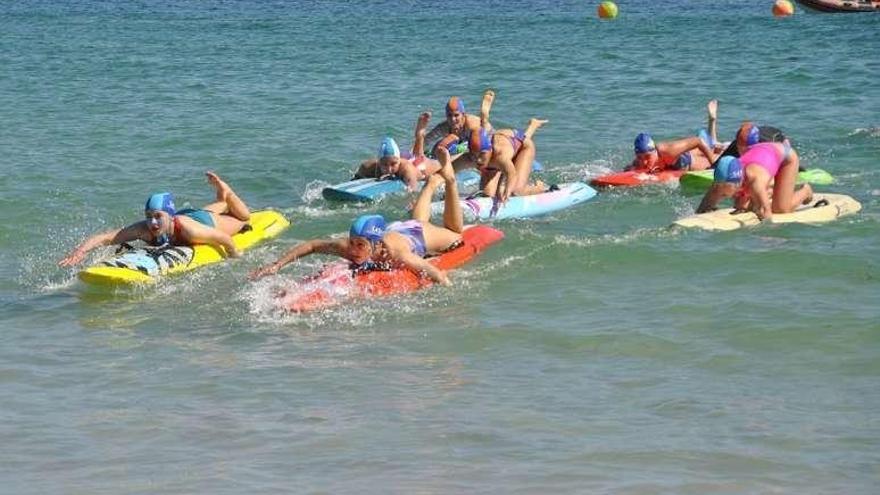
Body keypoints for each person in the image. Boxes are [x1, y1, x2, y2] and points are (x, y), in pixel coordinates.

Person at [250, 147, 465, 285]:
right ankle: (432, 184)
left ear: (374, 244)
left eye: (360, 245)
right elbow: (313, 245)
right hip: (397, 228)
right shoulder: (352, 247)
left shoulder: (397, 254)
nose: (353, 250)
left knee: (455, 233)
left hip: (416, 235)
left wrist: (450, 293)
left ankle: (448, 180)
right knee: (419, 219)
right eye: (352, 243)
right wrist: (277, 265)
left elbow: (434, 273)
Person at [58, 172, 251, 267]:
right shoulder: (144, 229)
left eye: (157, 216)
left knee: (243, 217)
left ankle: (226, 193)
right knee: (213, 209)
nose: (152, 222)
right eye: (149, 216)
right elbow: (105, 238)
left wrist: (235, 255)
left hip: (202, 221)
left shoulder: (191, 231)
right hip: (185, 215)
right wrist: (80, 251)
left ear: (168, 215)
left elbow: (226, 240)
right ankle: (221, 200)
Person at [696, 142, 813, 219]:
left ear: (739, 182)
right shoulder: (720, 182)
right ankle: (769, 192)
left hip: (785, 157)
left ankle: (805, 191)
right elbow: (703, 209)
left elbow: (766, 213)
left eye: (726, 193)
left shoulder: (755, 181)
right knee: (742, 206)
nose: (723, 195)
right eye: (722, 192)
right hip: (760, 154)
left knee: (780, 209)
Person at [468, 107, 549, 202]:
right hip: (503, 146)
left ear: (489, 150)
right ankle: (533, 125)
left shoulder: (500, 156)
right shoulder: (470, 156)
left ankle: (539, 188)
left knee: (516, 192)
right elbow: (450, 168)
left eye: (481, 155)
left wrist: (507, 191)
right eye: (474, 155)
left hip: (520, 146)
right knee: (487, 194)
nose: (478, 160)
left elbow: (511, 174)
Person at [354, 112, 443, 192]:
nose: (389, 169)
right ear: (379, 161)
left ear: (399, 161)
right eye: (384, 164)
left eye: (393, 164)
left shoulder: (406, 169)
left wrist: (411, 193)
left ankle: (420, 136)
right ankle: (419, 137)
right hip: (401, 156)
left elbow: (413, 189)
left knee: (427, 164)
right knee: (415, 155)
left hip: (414, 164)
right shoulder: (368, 166)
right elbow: (356, 178)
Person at [626, 100, 720, 172]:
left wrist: (714, 166)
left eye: (647, 157)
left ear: (654, 151)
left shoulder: (668, 151)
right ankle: (713, 138)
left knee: (718, 158)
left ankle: (712, 122)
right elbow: (628, 170)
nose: (644, 162)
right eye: (639, 157)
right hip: (677, 156)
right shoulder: (639, 161)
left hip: (686, 162)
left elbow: (698, 141)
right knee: (711, 147)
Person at [423, 91, 495, 168]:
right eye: (449, 115)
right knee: (436, 150)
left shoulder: (471, 124)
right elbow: (427, 139)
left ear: (463, 115)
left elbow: (482, 139)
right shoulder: (444, 126)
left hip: (486, 138)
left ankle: (484, 115)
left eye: (456, 115)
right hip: (465, 142)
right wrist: (416, 153)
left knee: (474, 151)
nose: (453, 119)